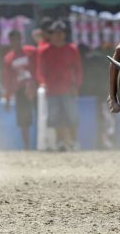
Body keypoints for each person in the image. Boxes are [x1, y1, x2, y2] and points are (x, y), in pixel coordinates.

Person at [35, 21, 83, 151]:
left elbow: (78, 69)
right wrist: (42, 82)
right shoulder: (44, 51)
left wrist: (76, 85)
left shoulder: (71, 49)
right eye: (55, 33)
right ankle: (60, 141)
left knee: (71, 116)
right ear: (51, 35)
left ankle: (73, 141)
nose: (58, 36)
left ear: (64, 34)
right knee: (55, 117)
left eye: (60, 33)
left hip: (68, 88)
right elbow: (40, 70)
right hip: (51, 89)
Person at [2, 29, 38, 150]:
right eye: (13, 40)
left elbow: (40, 66)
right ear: (10, 41)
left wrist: (36, 83)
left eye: (17, 39)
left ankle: (41, 143)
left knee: (40, 114)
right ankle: (27, 146)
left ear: (21, 39)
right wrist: (7, 98)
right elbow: (7, 79)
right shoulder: (9, 58)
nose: (15, 42)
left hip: (36, 88)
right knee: (23, 120)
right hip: (21, 91)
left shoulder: (31, 51)